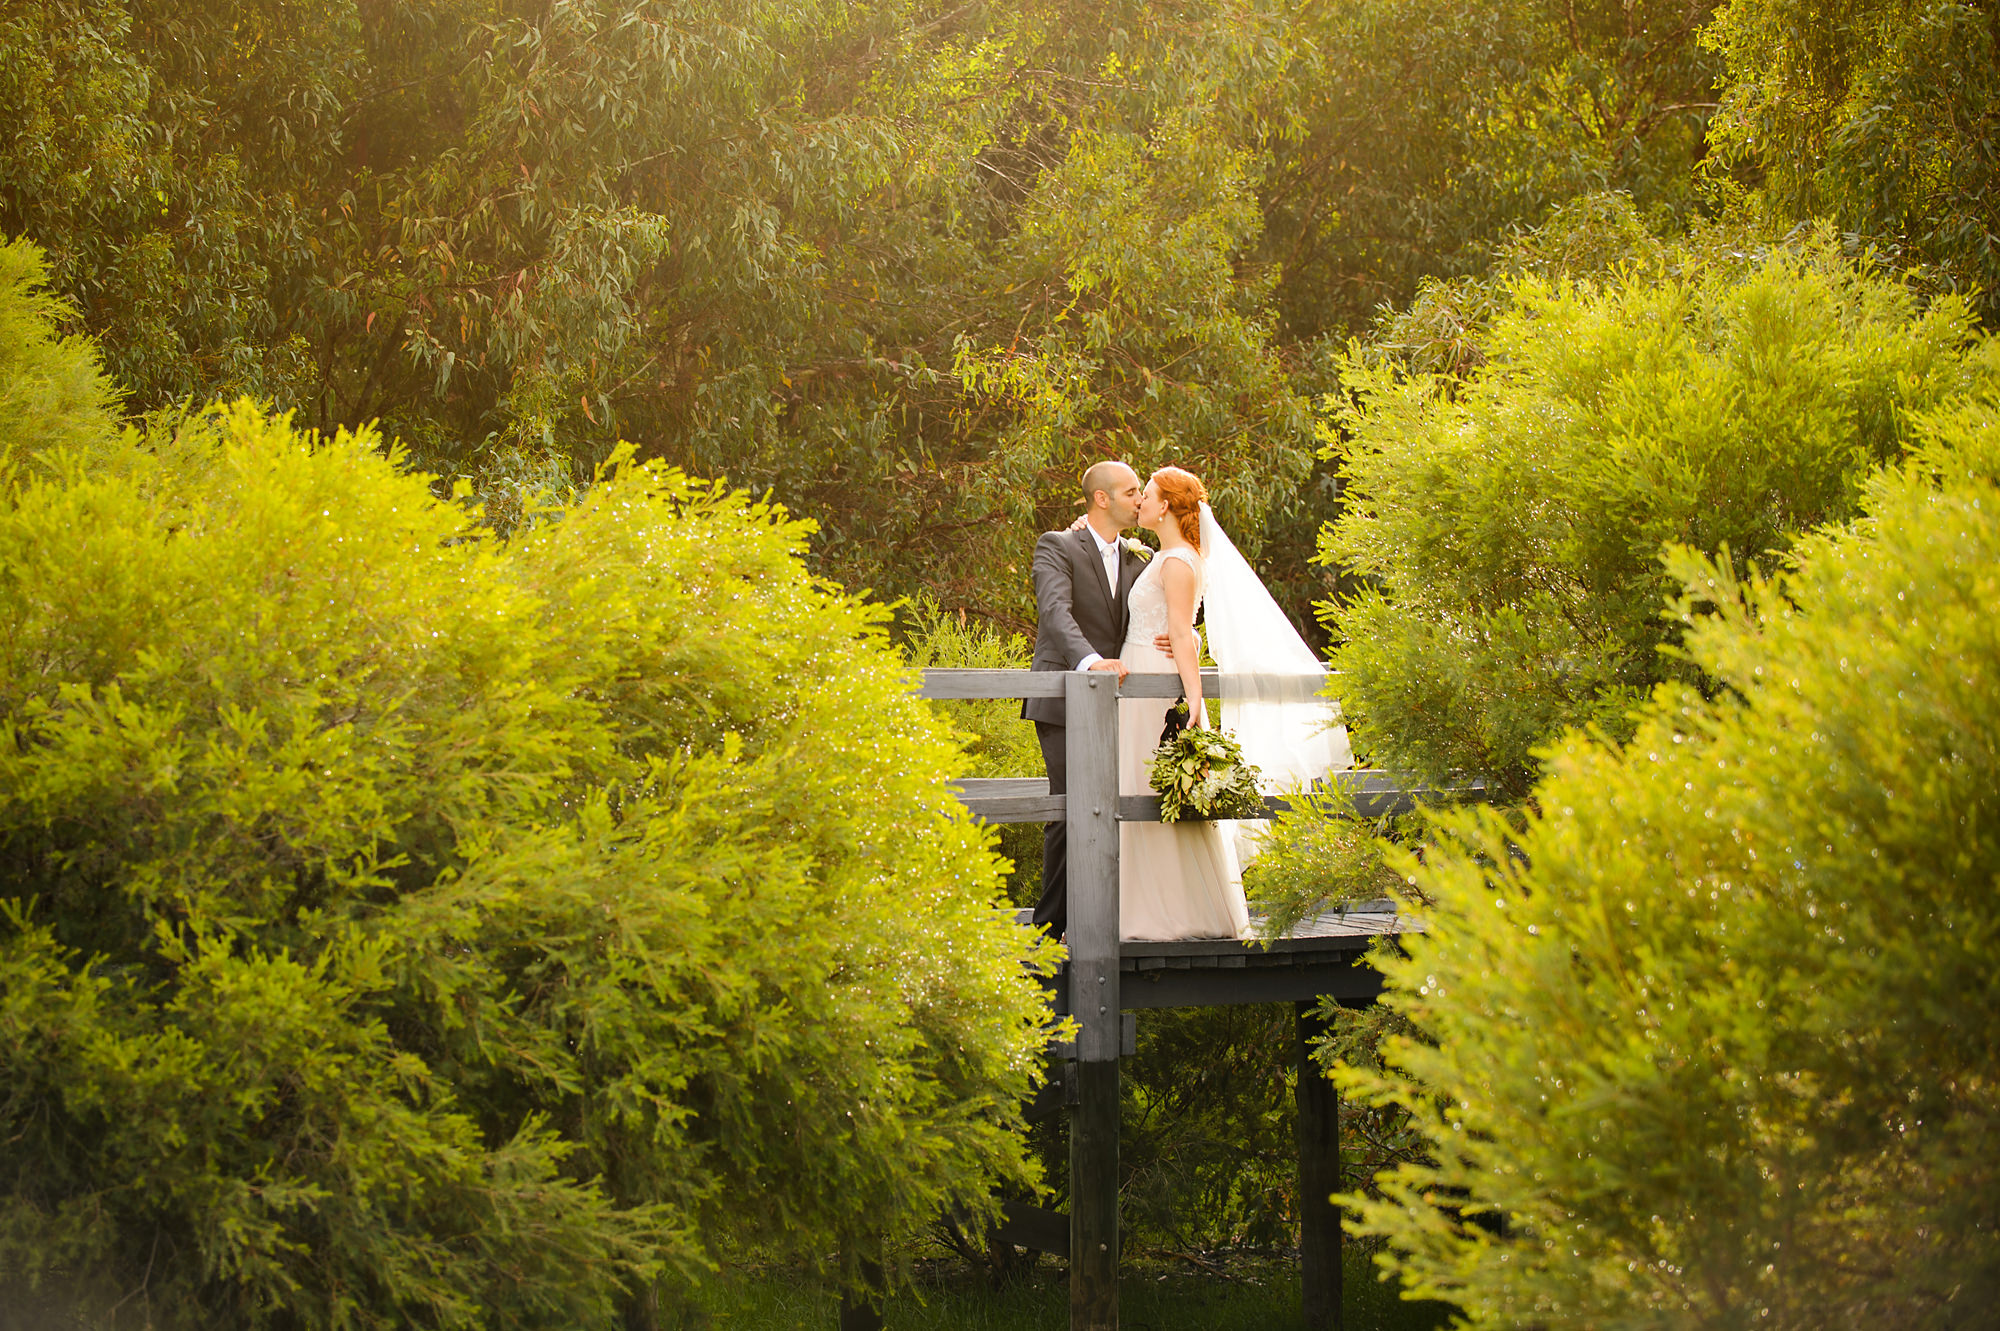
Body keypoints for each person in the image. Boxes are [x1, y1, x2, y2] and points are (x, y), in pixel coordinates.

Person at [1023, 461, 1147, 941]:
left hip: (1118, 705)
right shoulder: (1058, 545)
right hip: (1062, 697)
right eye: (1131, 492)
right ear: (1102, 498)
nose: (1139, 499)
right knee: (1071, 808)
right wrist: (1091, 662)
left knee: (1112, 809)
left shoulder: (1140, 558)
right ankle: (1048, 932)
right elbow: (1055, 612)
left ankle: (1099, 922)